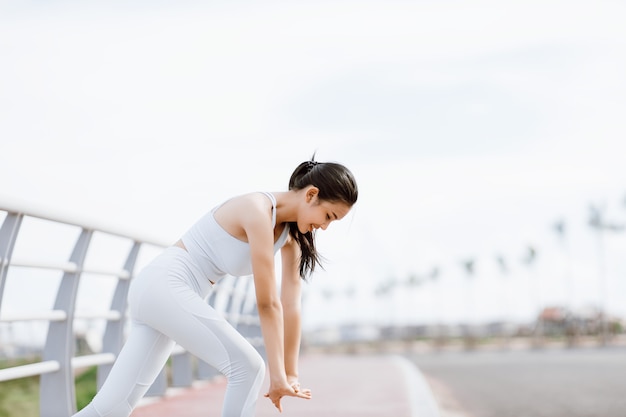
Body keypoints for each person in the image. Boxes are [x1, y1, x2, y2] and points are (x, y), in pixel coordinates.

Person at [72, 157, 358, 417]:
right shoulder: (257, 210)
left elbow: (290, 305)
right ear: (311, 195)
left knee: (110, 409)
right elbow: (268, 303)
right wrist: (277, 375)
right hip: (165, 284)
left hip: (170, 296)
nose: (325, 227)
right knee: (248, 368)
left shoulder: (291, 238)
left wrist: (290, 374)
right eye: (329, 217)